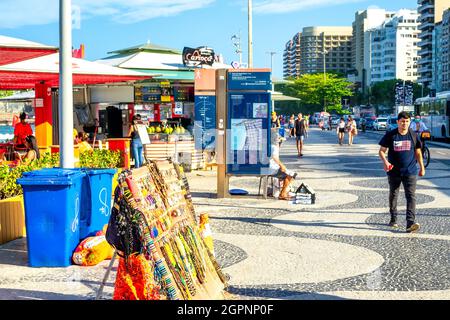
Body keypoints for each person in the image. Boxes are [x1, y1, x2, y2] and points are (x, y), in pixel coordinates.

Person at [378, 111, 425, 233]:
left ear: (410, 122)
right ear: (398, 122)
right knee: (394, 194)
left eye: (407, 121)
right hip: (394, 171)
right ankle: (393, 218)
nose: (405, 124)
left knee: (411, 196)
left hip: (410, 171)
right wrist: (385, 162)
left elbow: (418, 152)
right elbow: (382, 151)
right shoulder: (391, 135)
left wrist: (422, 167)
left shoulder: (413, 135)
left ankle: (410, 223)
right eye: (402, 121)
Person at [269, 129, 296, 200]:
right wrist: (282, 166)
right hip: (271, 169)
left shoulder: (269, 146)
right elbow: (275, 158)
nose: (281, 142)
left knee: (287, 173)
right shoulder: (274, 147)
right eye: (280, 141)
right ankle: (283, 193)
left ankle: (283, 192)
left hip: (268, 168)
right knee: (290, 175)